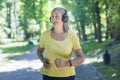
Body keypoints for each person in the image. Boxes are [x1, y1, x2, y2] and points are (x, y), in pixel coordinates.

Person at [37, 7, 85, 80]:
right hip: (48, 75)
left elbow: (81, 58)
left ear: (64, 18)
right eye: (52, 17)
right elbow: (39, 51)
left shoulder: (72, 36)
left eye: (57, 17)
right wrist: (43, 61)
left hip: (67, 76)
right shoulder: (45, 35)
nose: (53, 19)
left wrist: (66, 63)